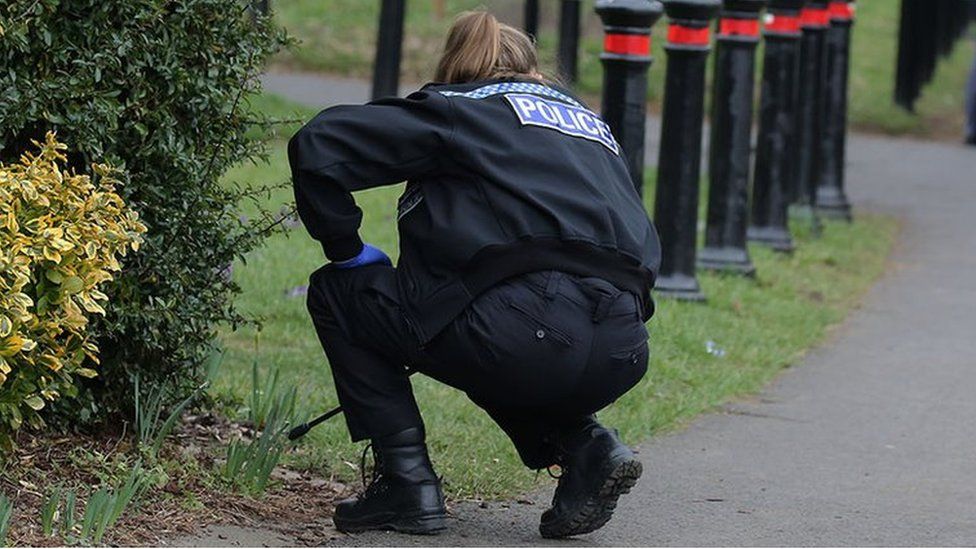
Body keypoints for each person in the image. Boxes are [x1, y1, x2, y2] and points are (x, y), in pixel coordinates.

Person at [288, 11, 660, 539]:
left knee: (340, 292)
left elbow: (319, 144)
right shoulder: (590, 125)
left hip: (523, 331)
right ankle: (587, 446)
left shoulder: (461, 107)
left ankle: (405, 483)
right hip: (625, 345)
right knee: (490, 324)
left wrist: (346, 249)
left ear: (456, 68)